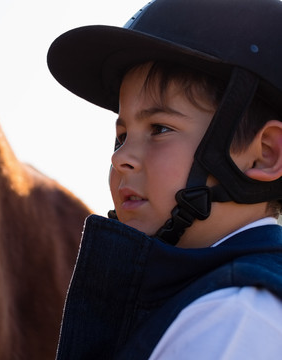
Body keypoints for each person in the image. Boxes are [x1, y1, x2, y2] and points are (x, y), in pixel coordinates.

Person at [46, 0, 282, 359]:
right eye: (122, 135)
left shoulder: (235, 322)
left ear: (265, 154)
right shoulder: (201, 303)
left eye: (159, 128)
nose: (119, 157)